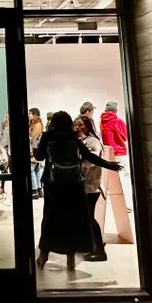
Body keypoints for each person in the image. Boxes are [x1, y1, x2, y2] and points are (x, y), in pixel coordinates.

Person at [34, 111, 121, 271]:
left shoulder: (48, 136)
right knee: (71, 221)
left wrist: (35, 149)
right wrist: (110, 165)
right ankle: (70, 259)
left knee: (50, 220)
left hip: (53, 185)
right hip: (74, 185)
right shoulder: (73, 137)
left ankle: (43, 256)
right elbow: (89, 156)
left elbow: (39, 157)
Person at [74, 117, 107, 262]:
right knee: (84, 217)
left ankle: (100, 249)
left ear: (88, 126)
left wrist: (77, 167)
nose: (77, 128)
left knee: (89, 219)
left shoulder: (92, 141)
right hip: (84, 185)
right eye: (76, 125)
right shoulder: (81, 141)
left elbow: (90, 161)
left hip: (91, 186)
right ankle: (89, 246)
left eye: (81, 125)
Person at [100, 101, 129, 177]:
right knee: (125, 176)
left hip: (108, 153)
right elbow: (125, 137)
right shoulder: (118, 122)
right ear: (115, 110)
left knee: (115, 177)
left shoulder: (102, 122)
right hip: (120, 152)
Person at [28, 108, 44, 199]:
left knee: (31, 169)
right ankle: (39, 189)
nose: (28, 115)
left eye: (30, 113)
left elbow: (33, 138)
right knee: (37, 169)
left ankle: (34, 190)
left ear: (34, 114)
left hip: (34, 150)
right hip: (36, 150)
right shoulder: (35, 124)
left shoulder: (37, 125)